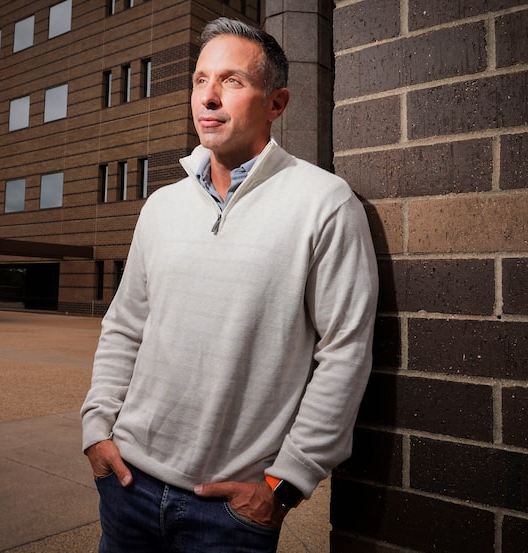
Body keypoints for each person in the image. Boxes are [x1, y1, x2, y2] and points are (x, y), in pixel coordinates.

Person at [80, 17, 378, 553]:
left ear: (277, 103)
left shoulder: (324, 204)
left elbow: (345, 354)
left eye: (232, 82)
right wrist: (97, 430)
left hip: (231, 516)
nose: (209, 98)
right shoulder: (161, 207)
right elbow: (124, 327)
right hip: (127, 487)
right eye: (200, 80)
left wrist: (283, 485)